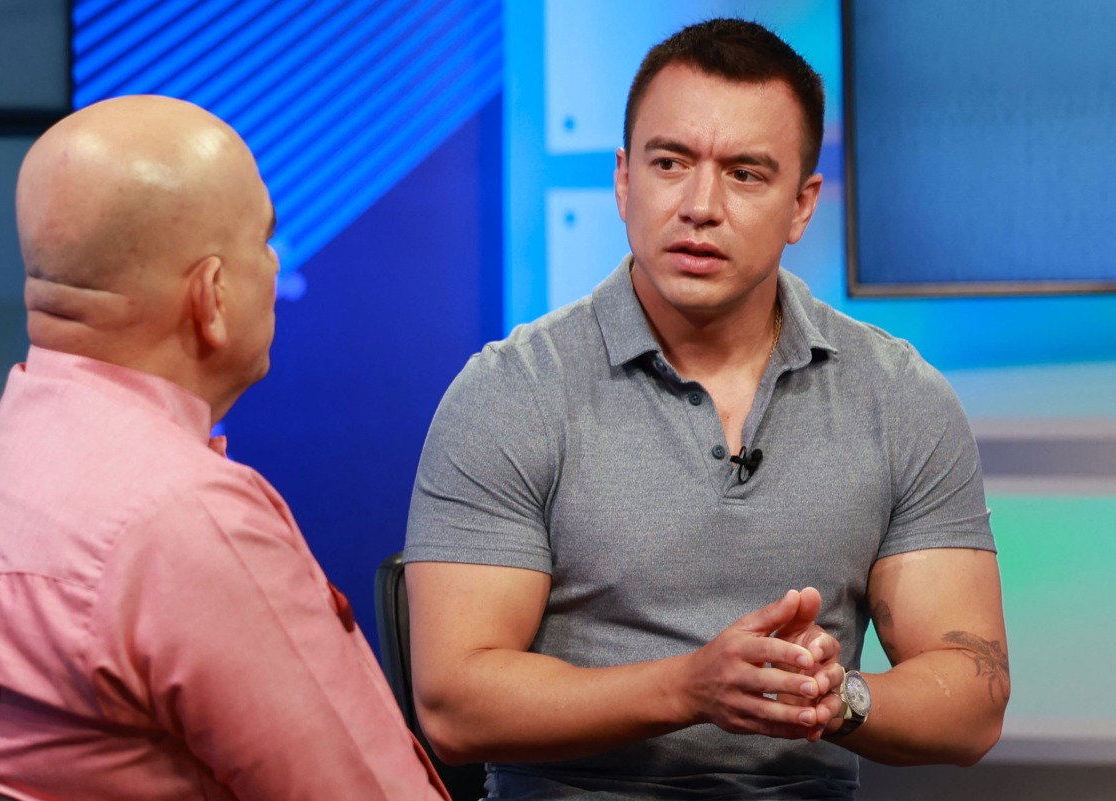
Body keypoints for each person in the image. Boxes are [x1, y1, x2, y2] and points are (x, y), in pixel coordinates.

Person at [404, 18, 1008, 800]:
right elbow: (454, 703)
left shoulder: (899, 397)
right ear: (624, 181)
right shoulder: (511, 391)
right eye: (670, 163)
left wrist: (837, 697)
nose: (700, 205)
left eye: (746, 174)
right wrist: (690, 686)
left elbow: (975, 697)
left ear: (801, 205)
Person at [0, 95, 449, 801]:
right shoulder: (190, 521)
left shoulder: (13, 449)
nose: (274, 267)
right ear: (210, 296)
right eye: (265, 242)